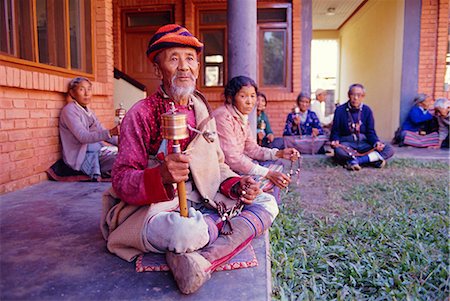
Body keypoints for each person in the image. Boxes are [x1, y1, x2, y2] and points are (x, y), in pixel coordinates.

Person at [100, 24, 279, 295]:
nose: (184, 67)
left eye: (190, 59)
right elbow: (122, 179)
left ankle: (200, 259)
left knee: (268, 201)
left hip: (204, 196)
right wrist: (160, 175)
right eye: (174, 59)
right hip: (157, 207)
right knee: (185, 233)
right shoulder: (141, 114)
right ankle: (206, 235)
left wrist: (236, 184)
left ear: (197, 66)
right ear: (158, 70)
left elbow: (217, 164)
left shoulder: (201, 109)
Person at [212, 76, 300, 191]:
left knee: (277, 166)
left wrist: (279, 153)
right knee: (267, 180)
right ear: (230, 97)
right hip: (222, 172)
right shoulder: (223, 116)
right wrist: (267, 173)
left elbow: (252, 149)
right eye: (243, 96)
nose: (249, 102)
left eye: (253, 96)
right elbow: (232, 158)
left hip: (235, 167)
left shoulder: (241, 117)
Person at [59, 77, 119, 180]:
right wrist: (110, 132)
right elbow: (83, 137)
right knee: (123, 160)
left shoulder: (88, 111)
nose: (86, 93)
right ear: (72, 93)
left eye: (89, 89)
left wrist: (126, 142)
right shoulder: (69, 111)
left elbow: (101, 130)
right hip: (81, 157)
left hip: (96, 151)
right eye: (82, 89)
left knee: (128, 155)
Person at [330, 83, 394, 171]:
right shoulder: (340, 110)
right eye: (353, 94)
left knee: (388, 149)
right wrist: (335, 140)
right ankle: (372, 160)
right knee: (338, 151)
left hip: (364, 144)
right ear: (348, 95)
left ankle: (355, 161)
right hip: (347, 144)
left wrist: (376, 142)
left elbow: (370, 132)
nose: (356, 98)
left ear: (363, 96)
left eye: (359, 95)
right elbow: (335, 131)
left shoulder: (367, 110)